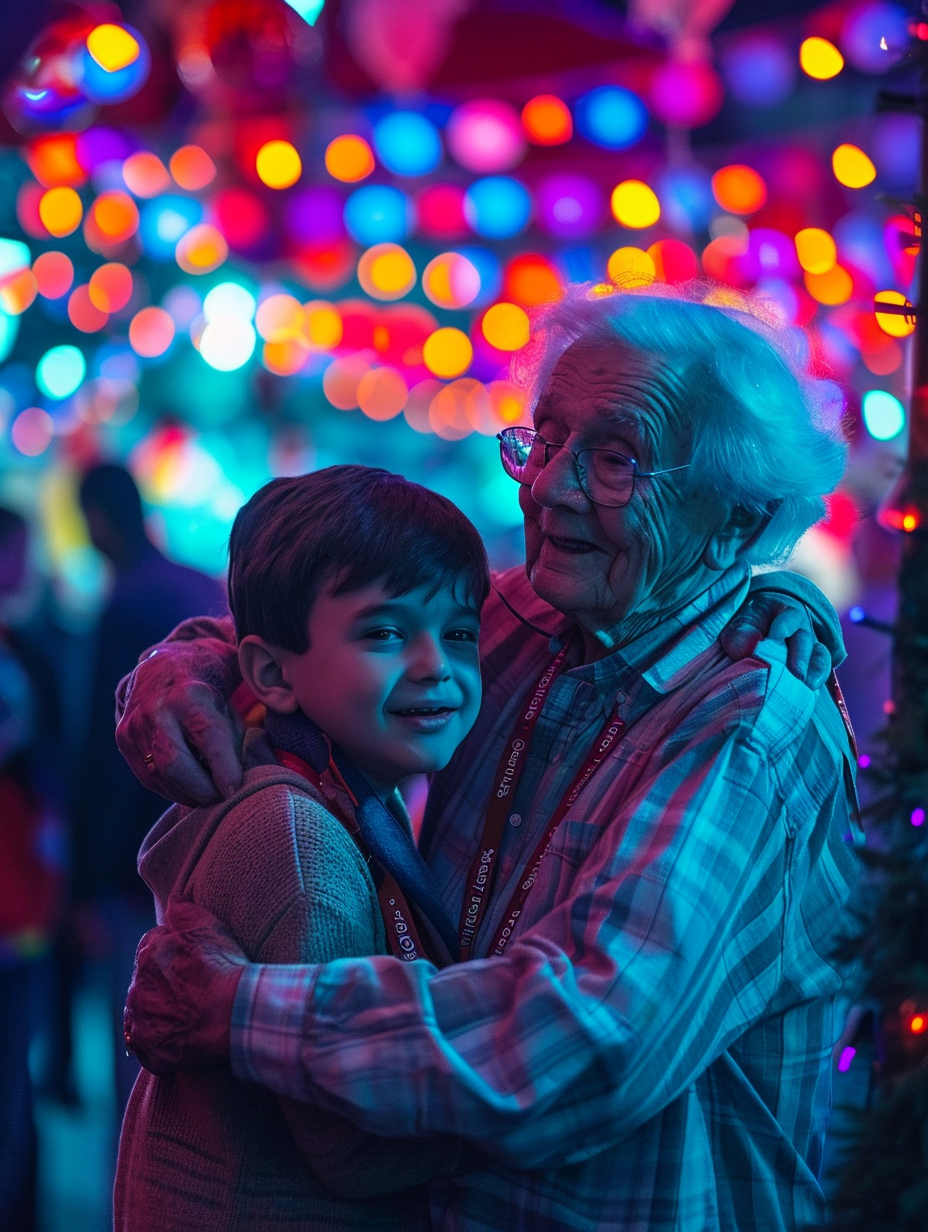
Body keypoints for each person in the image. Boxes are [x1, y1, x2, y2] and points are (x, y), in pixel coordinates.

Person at [121, 285, 860, 1232]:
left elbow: (586, 1042)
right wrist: (182, 661)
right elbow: (311, 635)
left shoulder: (749, 732)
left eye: (615, 459)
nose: (549, 488)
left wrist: (239, 1011)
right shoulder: (526, 623)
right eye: (546, 439)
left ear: (736, 525)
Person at [115, 466, 487, 1230]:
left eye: (459, 632)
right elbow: (351, 1145)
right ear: (271, 675)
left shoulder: (312, 787)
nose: (435, 666)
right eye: (385, 632)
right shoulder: (302, 843)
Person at [70, 462, 227, 1119]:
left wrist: (89, 883)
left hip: (140, 865)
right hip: (213, 847)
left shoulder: (125, 601)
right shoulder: (197, 584)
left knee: (138, 1061)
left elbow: (108, 763)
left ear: (99, 519)